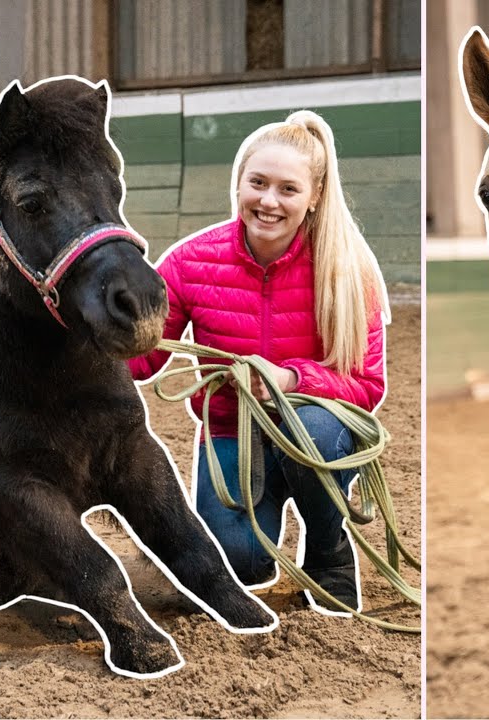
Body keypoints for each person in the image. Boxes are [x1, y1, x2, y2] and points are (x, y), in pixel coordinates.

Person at [129, 110, 388, 613]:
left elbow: (367, 386)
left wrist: (291, 379)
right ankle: (255, 538)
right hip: (231, 432)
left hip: (316, 430)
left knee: (308, 431)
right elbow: (143, 359)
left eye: (288, 189)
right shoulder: (189, 263)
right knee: (236, 563)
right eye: (258, 183)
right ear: (240, 184)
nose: (268, 201)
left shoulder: (347, 268)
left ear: (313, 197)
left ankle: (328, 548)